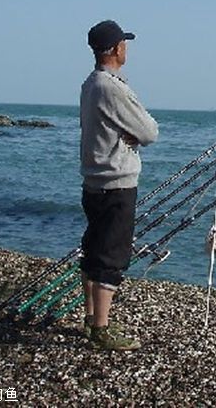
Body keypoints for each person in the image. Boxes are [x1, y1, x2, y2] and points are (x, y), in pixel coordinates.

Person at [80, 20, 158, 351]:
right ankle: (101, 328)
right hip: (116, 184)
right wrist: (134, 134)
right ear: (115, 49)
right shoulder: (111, 87)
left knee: (94, 251)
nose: (127, 48)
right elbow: (149, 131)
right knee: (111, 256)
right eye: (124, 43)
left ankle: (90, 318)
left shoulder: (91, 83)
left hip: (94, 181)